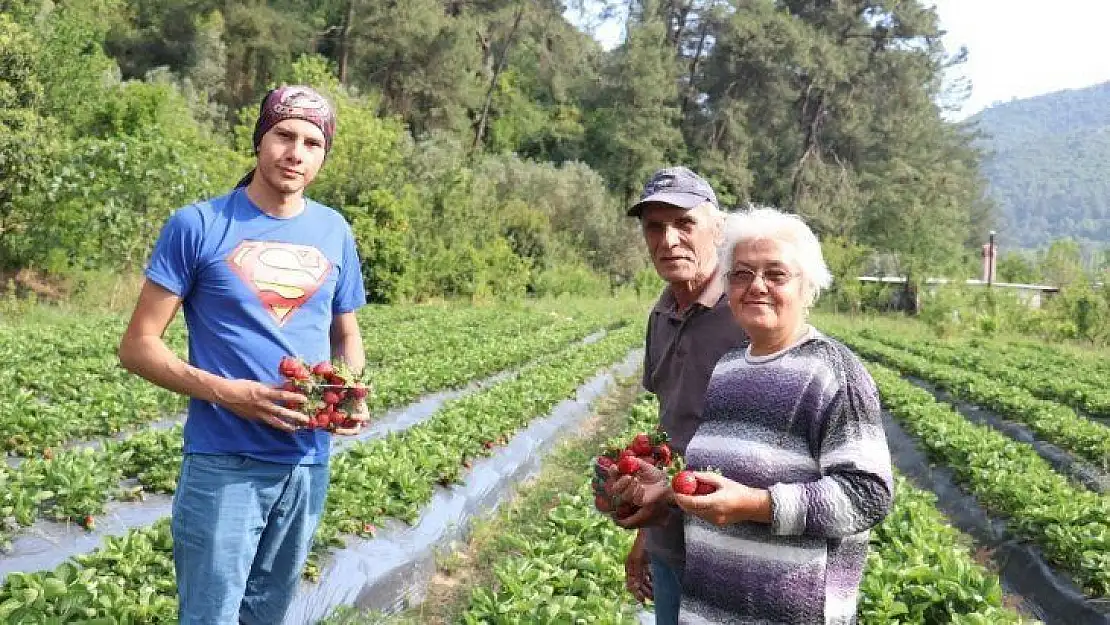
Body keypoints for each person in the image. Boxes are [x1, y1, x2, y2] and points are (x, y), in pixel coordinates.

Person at [117, 85, 368, 625]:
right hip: (223, 461)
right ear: (260, 139)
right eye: (283, 135)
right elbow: (137, 347)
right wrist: (233, 394)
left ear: (324, 154)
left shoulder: (335, 231)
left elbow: (345, 336)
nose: (295, 153)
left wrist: (348, 393)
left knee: (266, 616)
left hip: (306, 465)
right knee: (209, 617)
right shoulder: (200, 225)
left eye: (312, 142)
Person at [630, 207, 894, 624]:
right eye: (742, 273)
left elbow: (867, 495)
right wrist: (665, 494)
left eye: (776, 274)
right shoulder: (729, 368)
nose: (756, 286)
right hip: (711, 609)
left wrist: (757, 505)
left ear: (808, 285)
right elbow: (718, 481)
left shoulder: (832, 373)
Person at [595, 167, 747, 625]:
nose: (669, 239)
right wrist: (648, 534)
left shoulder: (745, 315)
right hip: (672, 540)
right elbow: (671, 427)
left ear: (717, 229)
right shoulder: (661, 314)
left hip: (734, 550)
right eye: (654, 227)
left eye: (684, 223)